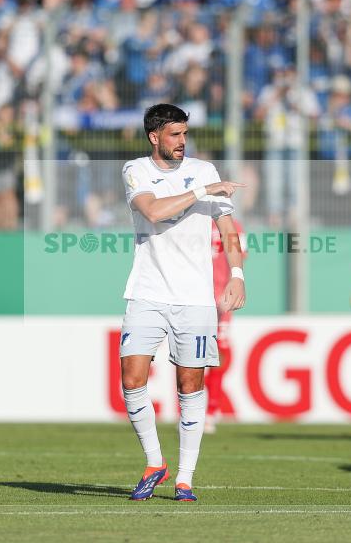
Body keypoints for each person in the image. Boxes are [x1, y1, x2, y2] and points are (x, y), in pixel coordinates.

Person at [120, 104, 245, 502]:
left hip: (194, 299)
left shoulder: (204, 170)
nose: (182, 142)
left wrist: (238, 275)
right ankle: (155, 462)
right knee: (131, 378)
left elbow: (228, 231)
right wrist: (203, 191)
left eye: (185, 134)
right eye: (175, 135)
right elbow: (154, 212)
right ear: (154, 136)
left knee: (189, 385)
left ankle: (185, 479)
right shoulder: (136, 170)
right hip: (147, 291)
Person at [204, 215, 246, 434]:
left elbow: (240, 258)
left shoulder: (234, 226)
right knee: (189, 353)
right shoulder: (194, 221)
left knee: (220, 352)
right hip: (195, 297)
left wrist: (231, 289)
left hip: (221, 298)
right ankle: (189, 412)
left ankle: (211, 411)